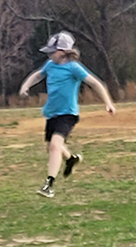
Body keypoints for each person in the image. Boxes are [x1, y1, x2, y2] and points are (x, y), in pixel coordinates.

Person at [17, 31, 114, 197]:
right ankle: (70, 159)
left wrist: (108, 102)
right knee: (52, 147)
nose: (49, 54)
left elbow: (96, 83)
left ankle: (49, 185)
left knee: (55, 145)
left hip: (68, 114)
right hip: (52, 114)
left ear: (62, 51)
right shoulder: (50, 65)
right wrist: (25, 86)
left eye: (51, 51)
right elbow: (37, 75)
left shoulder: (74, 68)